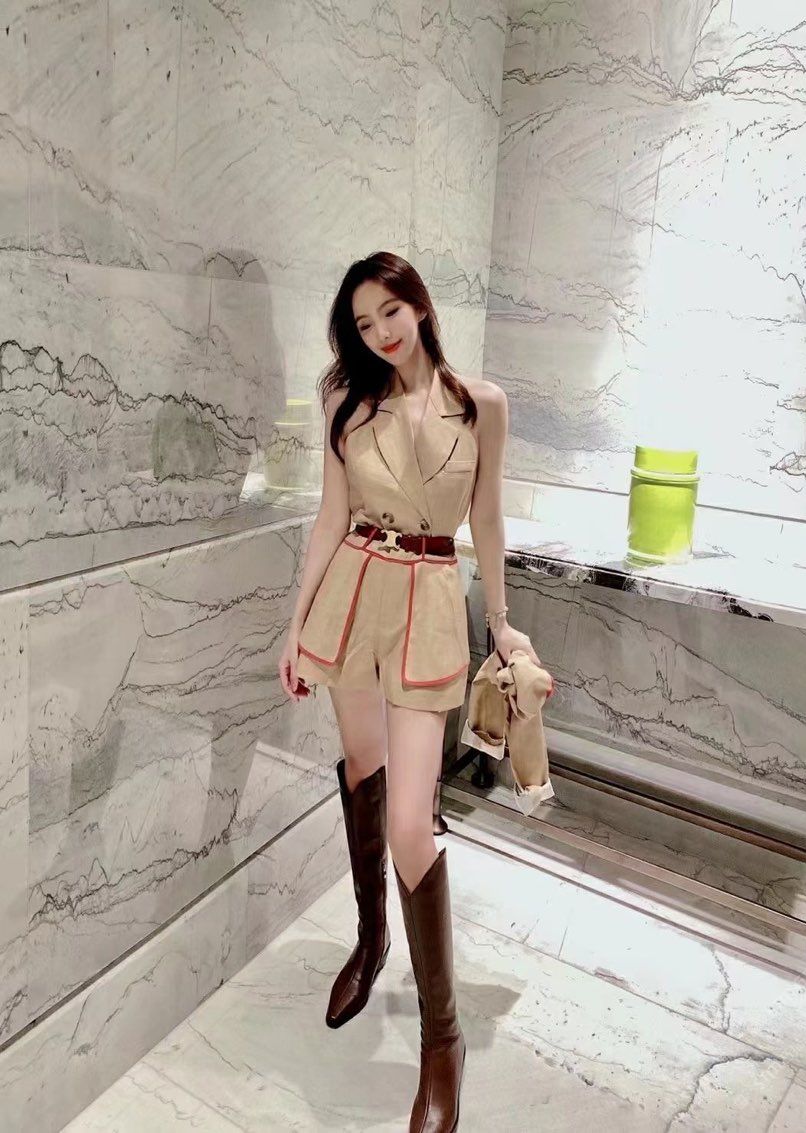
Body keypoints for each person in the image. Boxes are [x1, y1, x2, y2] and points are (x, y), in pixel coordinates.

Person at [279, 251, 540, 1133]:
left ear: (419, 306)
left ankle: (443, 1037)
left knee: (409, 825)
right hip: (352, 595)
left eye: (390, 311)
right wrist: (294, 628)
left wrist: (501, 623)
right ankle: (371, 936)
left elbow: (488, 519)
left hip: (429, 600)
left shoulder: (481, 404)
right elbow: (330, 515)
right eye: (363, 323)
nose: (381, 332)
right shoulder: (345, 402)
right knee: (363, 770)